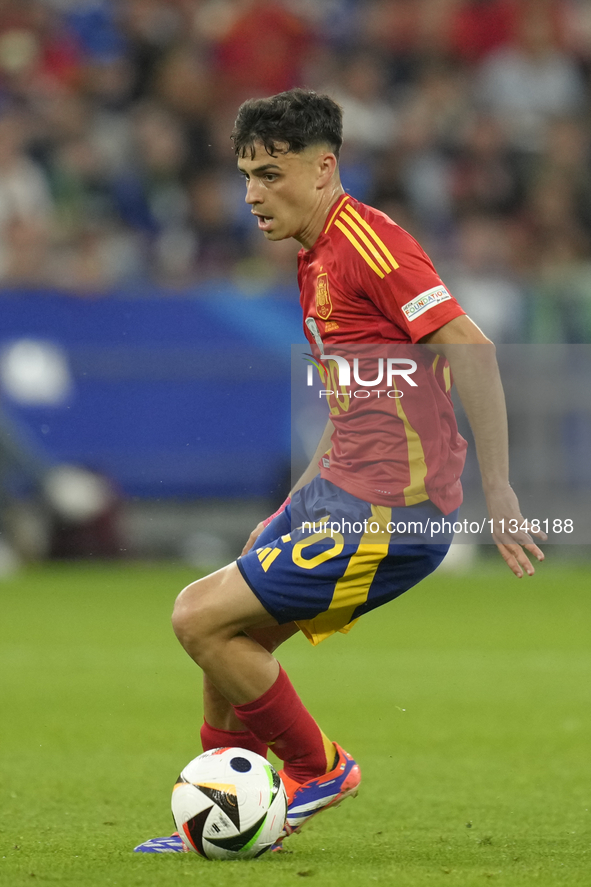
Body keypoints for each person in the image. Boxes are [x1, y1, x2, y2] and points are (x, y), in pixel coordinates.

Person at [134, 88, 545, 854]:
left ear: (324, 168)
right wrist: (290, 505)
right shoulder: (314, 255)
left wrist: (502, 489)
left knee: (197, 615)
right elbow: (357, 401)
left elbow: (471, 346)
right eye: (246, 174)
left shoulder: (369, 244)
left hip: (390, 511)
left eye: (271, 174)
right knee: (229, 636)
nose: (253, 194)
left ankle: (318, 769)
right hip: (339, 492)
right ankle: (232, 811)